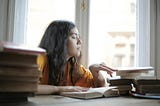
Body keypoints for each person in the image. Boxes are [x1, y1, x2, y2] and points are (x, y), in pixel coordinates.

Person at [36, 20, 116, 95]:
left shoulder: (74, 68)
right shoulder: (40, 59)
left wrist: (96, 75)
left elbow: (101, 90)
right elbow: (27, 87)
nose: (80, 42)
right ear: (60, 41)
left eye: (79, 37)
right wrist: (59, 89)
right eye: (74, 37)